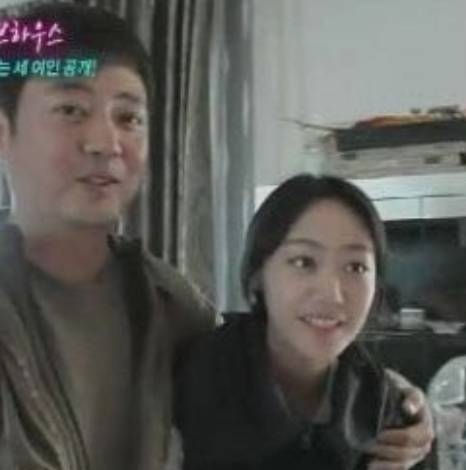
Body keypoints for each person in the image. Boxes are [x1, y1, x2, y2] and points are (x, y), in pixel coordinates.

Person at [0, 4, 431, 470]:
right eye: (71, 110)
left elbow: (281, 372)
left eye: (128, 116)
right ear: (2, 134)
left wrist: (404, 409)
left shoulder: (170, 307)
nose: (106, 141)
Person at [175, 174, 433, 470]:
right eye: (303, 262)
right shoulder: (191, 380)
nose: (332, 294)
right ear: (259, 274)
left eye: (355, 267)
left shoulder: (384, 409)